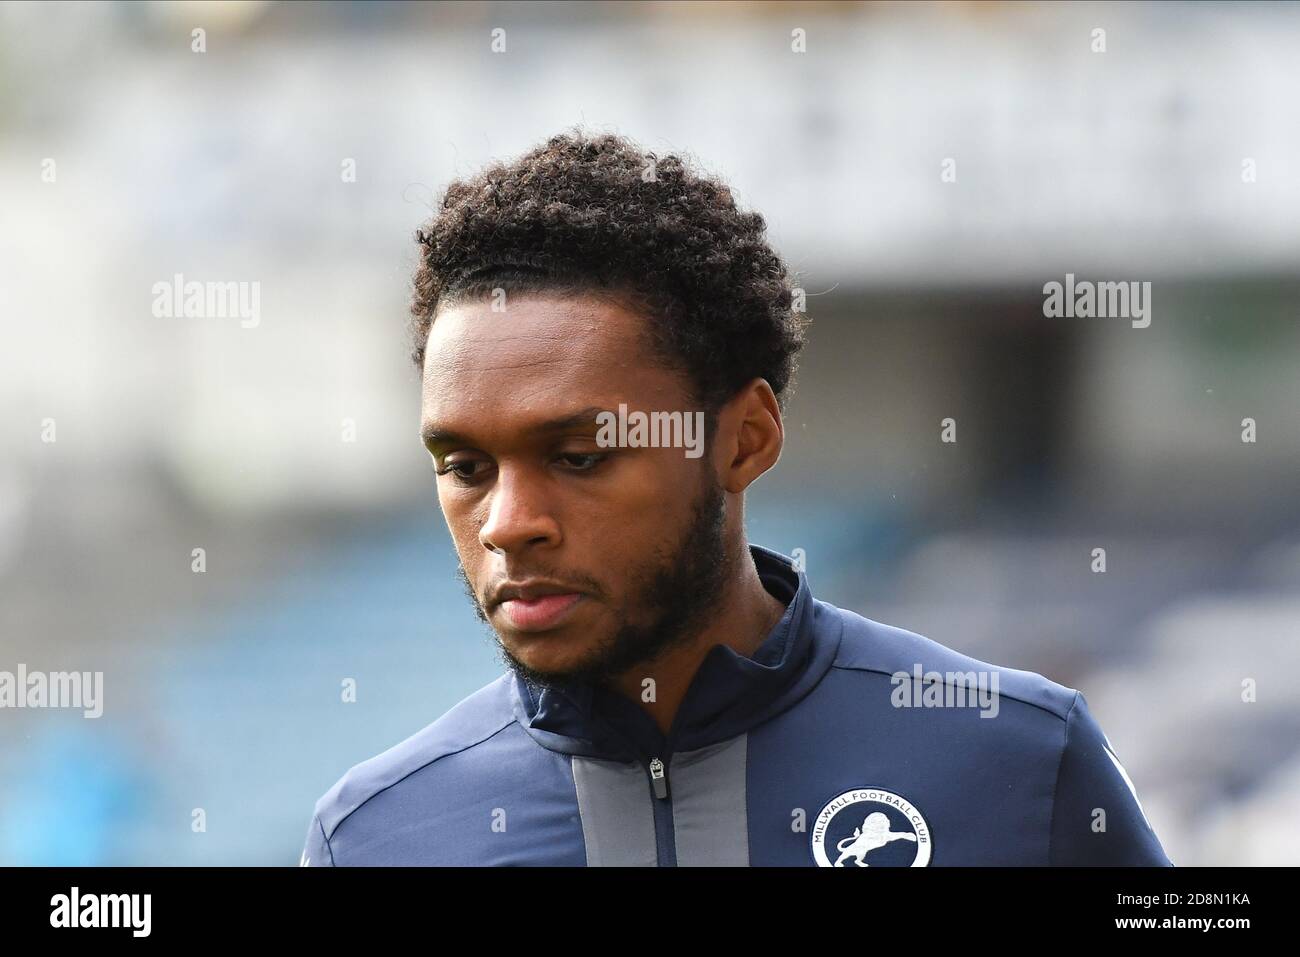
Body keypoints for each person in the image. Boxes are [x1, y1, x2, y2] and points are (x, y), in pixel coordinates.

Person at [300, 129, 1172, 866]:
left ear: (745, 437)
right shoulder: (377, 837)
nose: (508, 524)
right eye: (465, 466)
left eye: (575, 456)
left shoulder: (1019, 759)